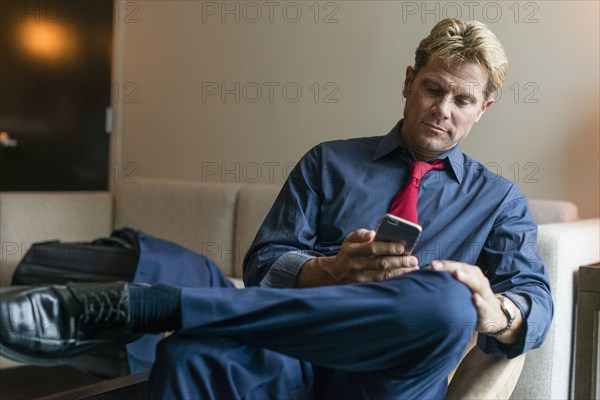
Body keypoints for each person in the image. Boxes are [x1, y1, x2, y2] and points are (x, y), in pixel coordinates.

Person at [0, 19, 552, 399]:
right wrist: (328, 269)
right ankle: (175, 316)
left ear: (484, 108)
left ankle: (156, 306)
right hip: (291, 354)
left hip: (392, 377)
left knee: (447, 303)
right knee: (188, 355)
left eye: (462, 100)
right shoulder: (330, 162)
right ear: (409, 83)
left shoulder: (499, 200)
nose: (443, 110)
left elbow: (537, 303)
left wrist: (495, 311)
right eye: (433, 89)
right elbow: (264, 262)